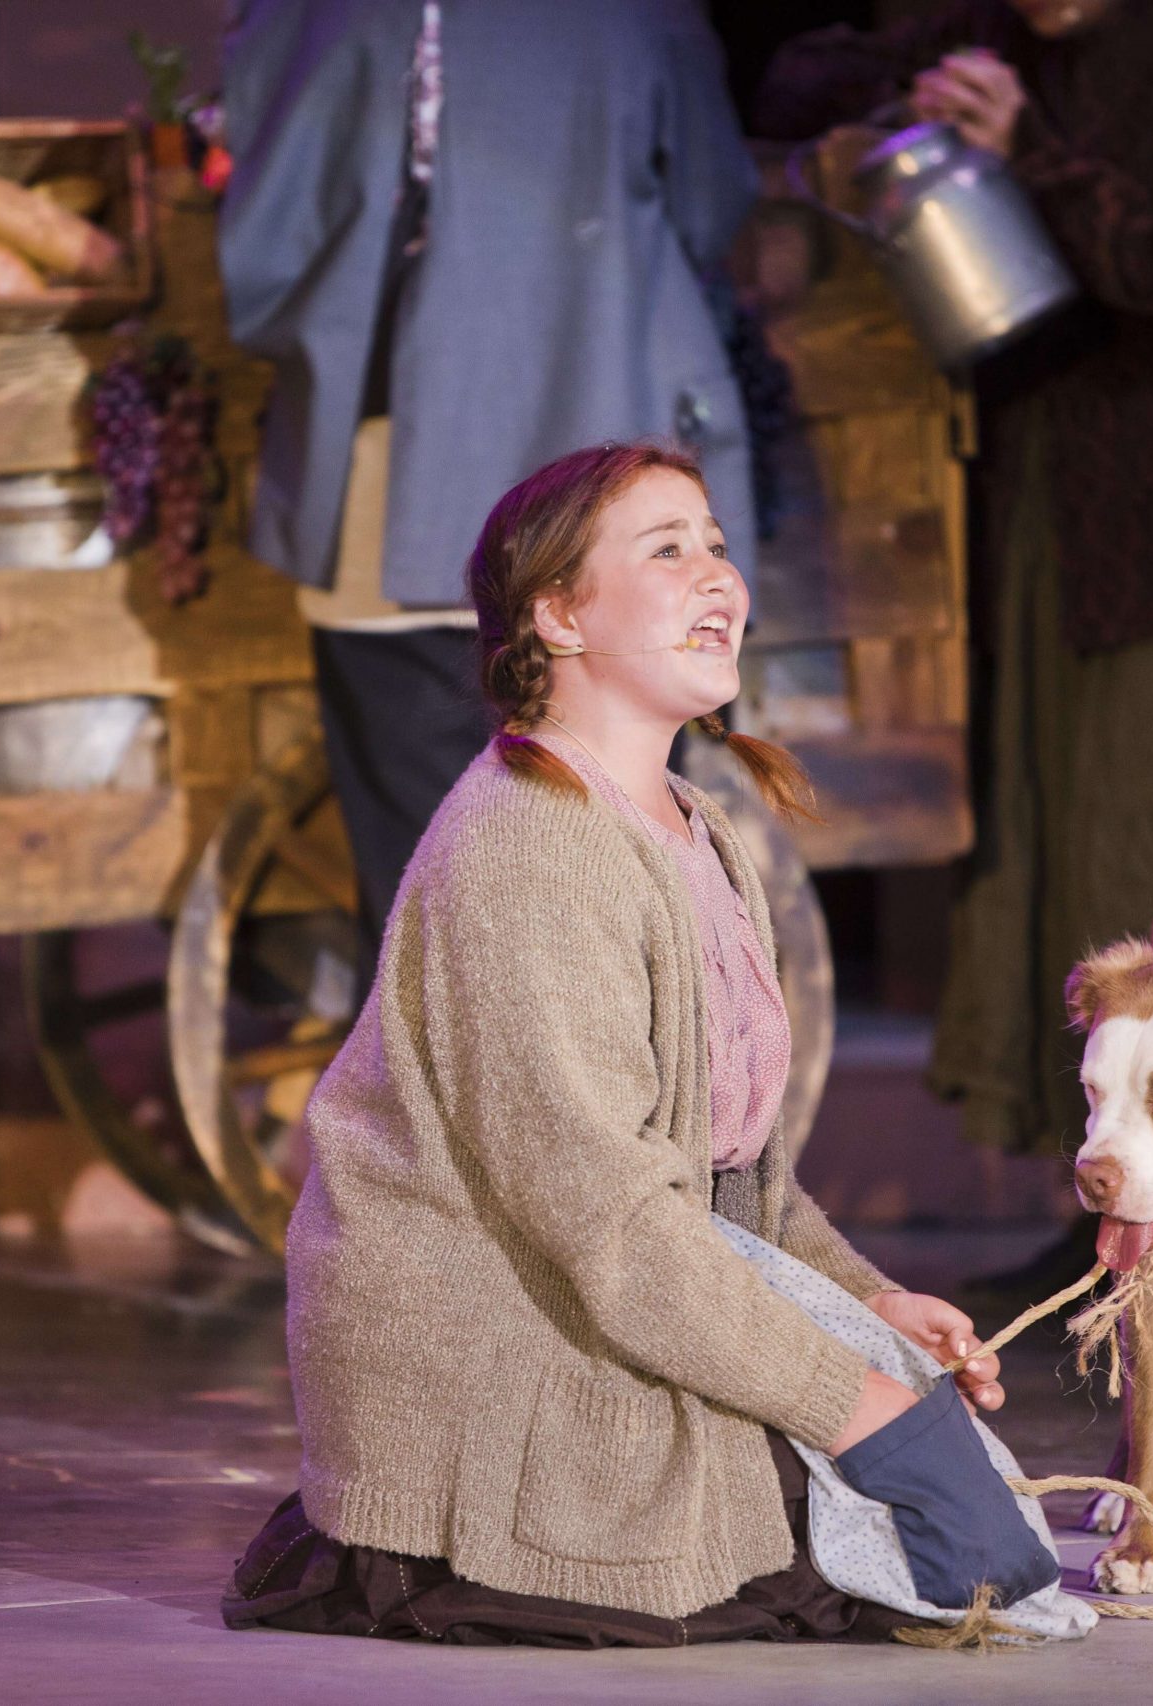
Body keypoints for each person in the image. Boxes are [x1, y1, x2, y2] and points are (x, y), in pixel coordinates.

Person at [221, 444, 1030, 1645]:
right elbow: (608, 1219)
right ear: (556, 614)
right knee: (887, 1545)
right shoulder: (528, 846)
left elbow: (728, 1179)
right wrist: (851, 1398)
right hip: (510, 1342)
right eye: (666, 549)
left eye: (716, 544)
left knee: (980, 1541)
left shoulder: (694, 827)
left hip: (620, 1286)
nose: (717, 576)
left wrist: (868, 1303)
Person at [756, 0, 1153, 1294]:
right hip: (1052, 525)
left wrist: (1035, 155)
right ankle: (1118, 1210)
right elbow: (799, 77)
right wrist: (910, 94)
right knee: (1074, 858)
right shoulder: (1009, 33)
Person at [218, 1, 761, 969]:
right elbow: (713, 204)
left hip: (404, 491)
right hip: (612, 520)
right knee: (618, 877)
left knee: (421, 898)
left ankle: (458, 1062)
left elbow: (268, 247)